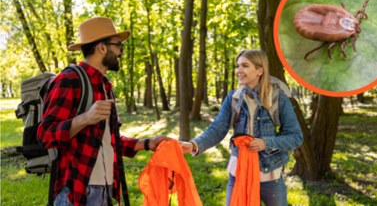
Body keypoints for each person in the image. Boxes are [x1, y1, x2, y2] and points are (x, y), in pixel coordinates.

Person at [37, 16, 170, 206]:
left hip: (105, 189)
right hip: (78, 191)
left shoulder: (105, 86)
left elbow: (109, 140)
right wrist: (85, 118)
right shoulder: (69, 80)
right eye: (118, 46)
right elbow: (45, 136)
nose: (121, 53)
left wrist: (148, 143)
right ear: (101, 48)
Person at [181, 49, 303, 206]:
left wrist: (265, 143)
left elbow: (295, 136)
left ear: (260, 70)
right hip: (239, 173)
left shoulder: (278, 98)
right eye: (237, 66)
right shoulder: (233, 98)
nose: (239, 70)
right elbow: (217, 129)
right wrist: (194, 145)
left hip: (270, 176)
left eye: (245, 66)